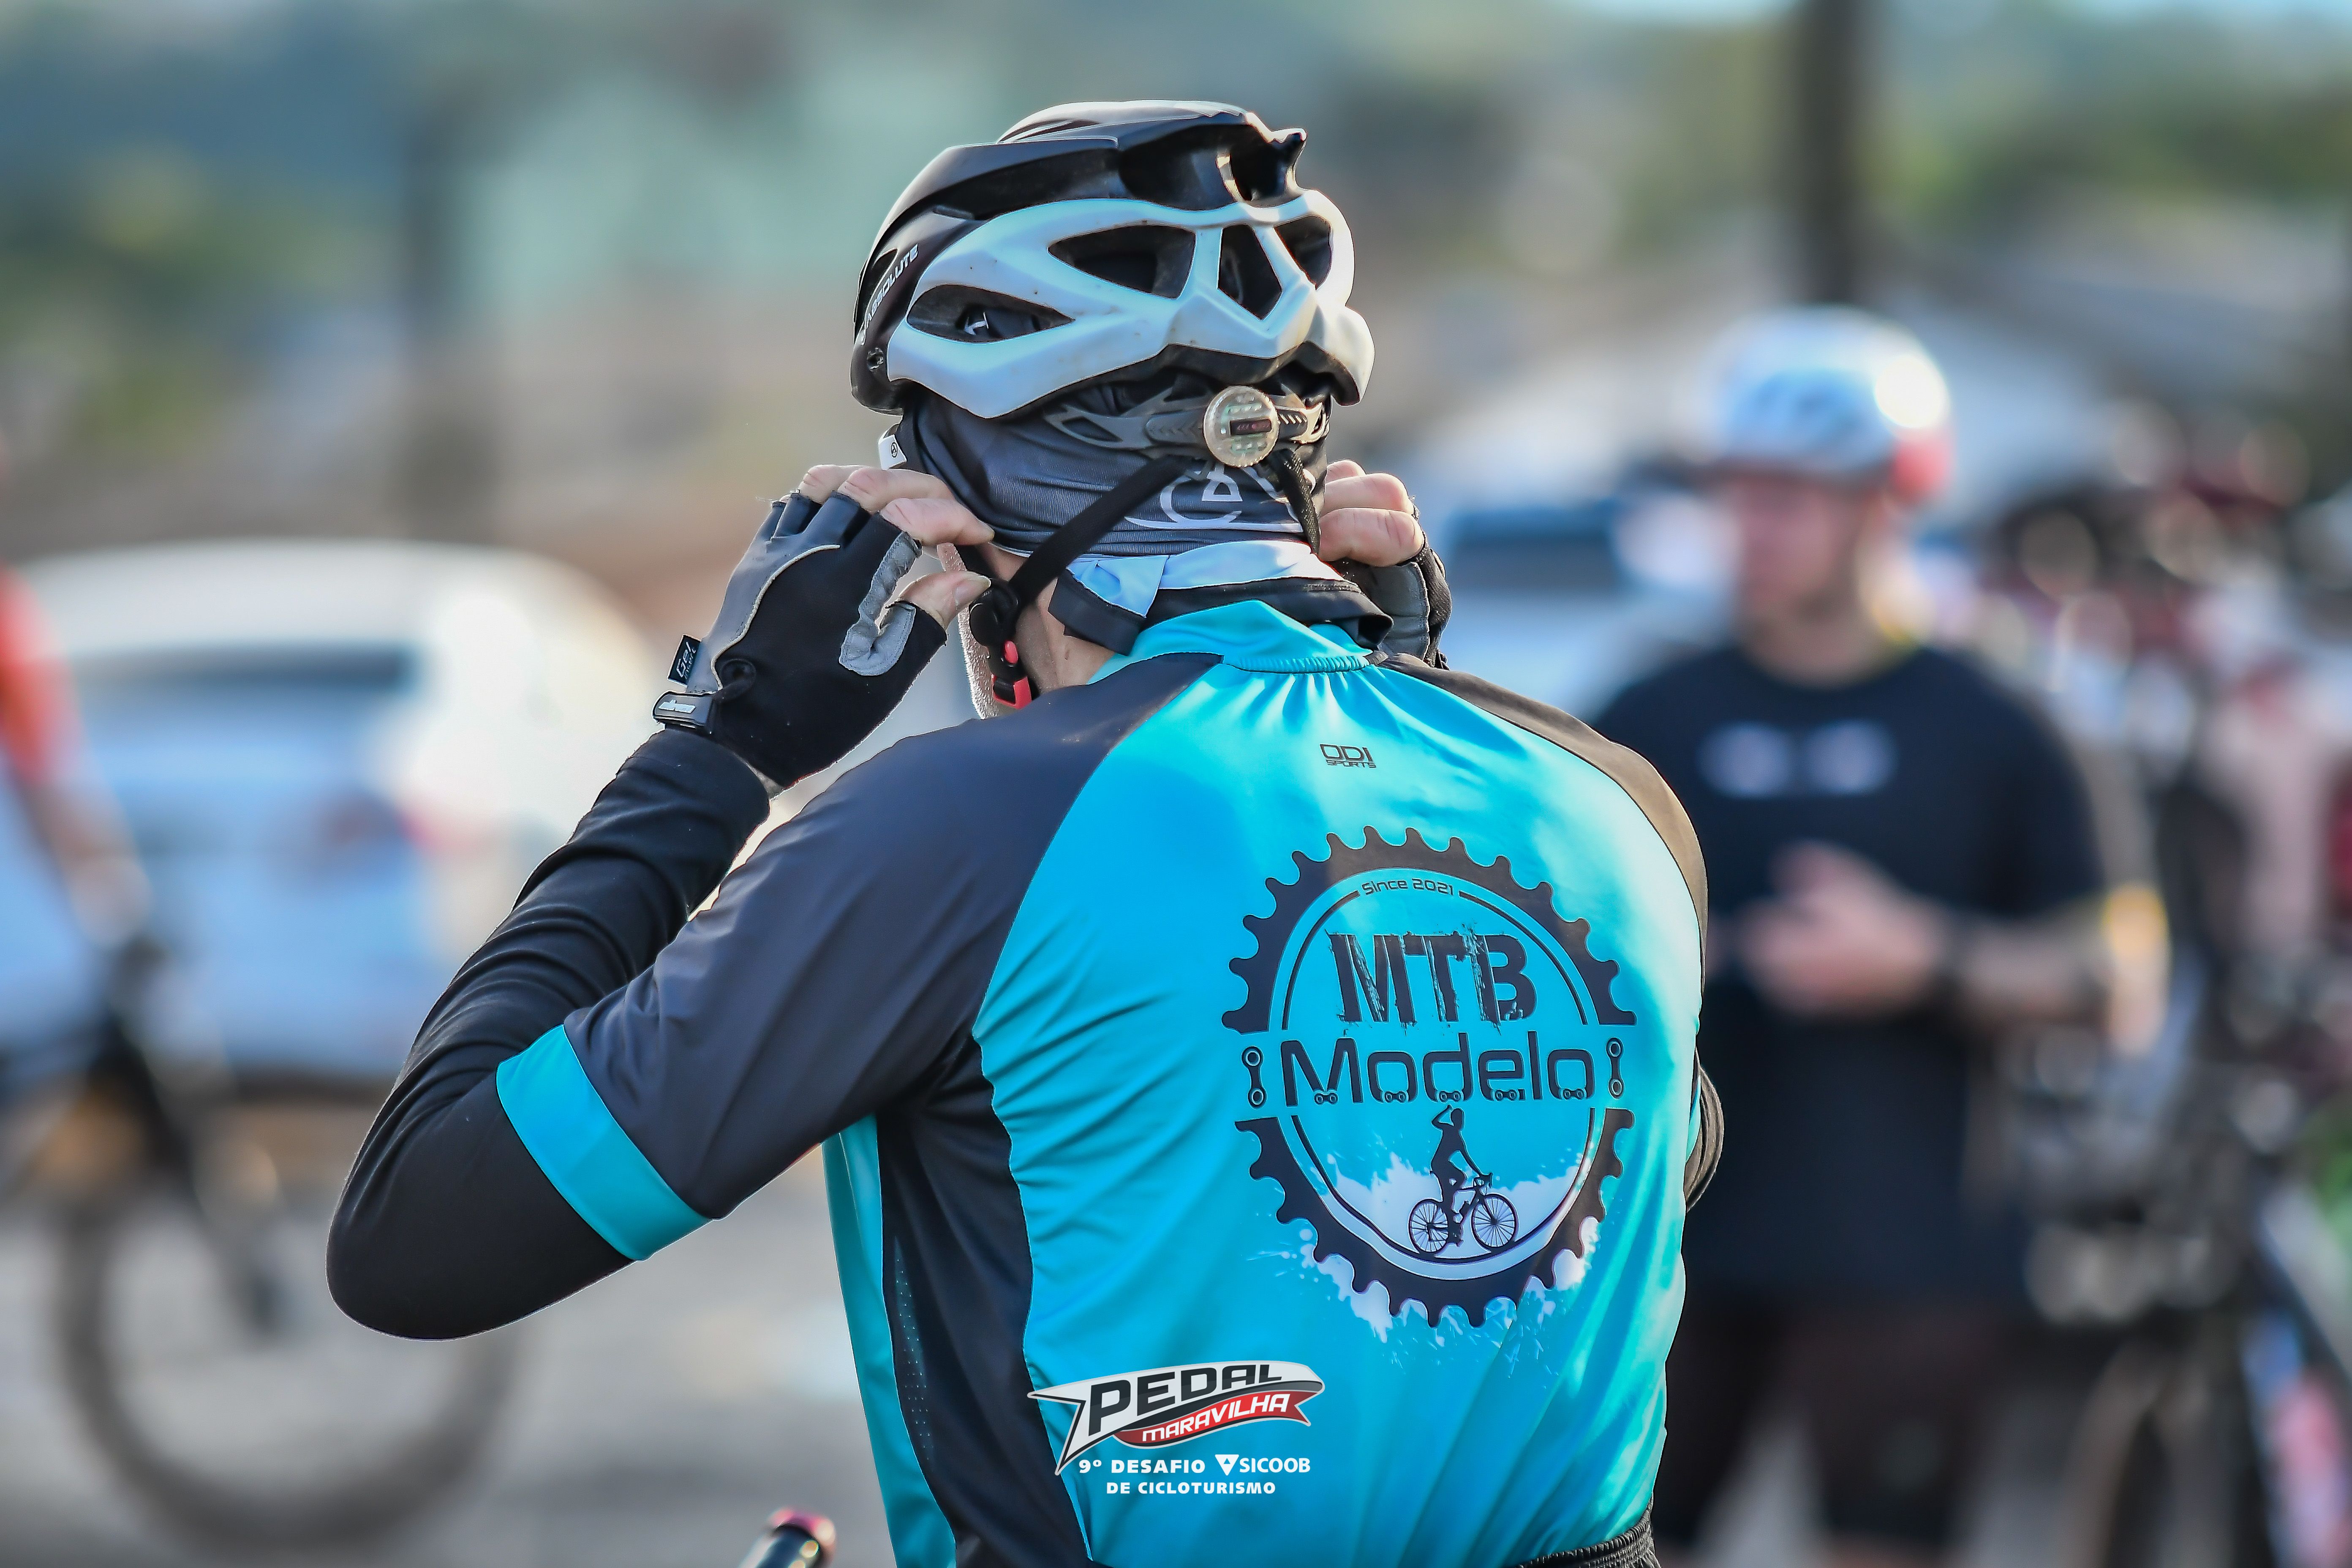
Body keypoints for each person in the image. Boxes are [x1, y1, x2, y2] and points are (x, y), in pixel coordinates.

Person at [331, 102, 1717, 1568]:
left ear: (971, 488)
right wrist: (1410, 688)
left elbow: (418, 1233)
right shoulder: (1609, 797)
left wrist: (718, 741)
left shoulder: (948, 831)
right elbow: (1623, 1188)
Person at [1595, 310, 2130, 1568]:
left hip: (1909, 1251)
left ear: (1890, 499)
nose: (1752, 526)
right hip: (1668, 1246)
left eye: (1790, 496)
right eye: (1736, 492)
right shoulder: (1645, 709)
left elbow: (2119, 978)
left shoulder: (2001, 721)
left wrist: (1923, 957)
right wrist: (1660, 961)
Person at [1430, 1105, 1478, 1217]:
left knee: (1461, 1178)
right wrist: (1446, 1110)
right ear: (1454, 1120)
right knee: (1451, 1193)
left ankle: (1448, 1199)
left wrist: (1481, 1174)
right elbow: (1435, 1122)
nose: (1461, 1122)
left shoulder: (1459, 1141)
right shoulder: (1448, 1129)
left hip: (1445, 1164)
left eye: (1462, 1120)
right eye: (1459, 1120)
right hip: (1438, 1164)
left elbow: (1468, 1160)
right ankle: (1447, 1200)